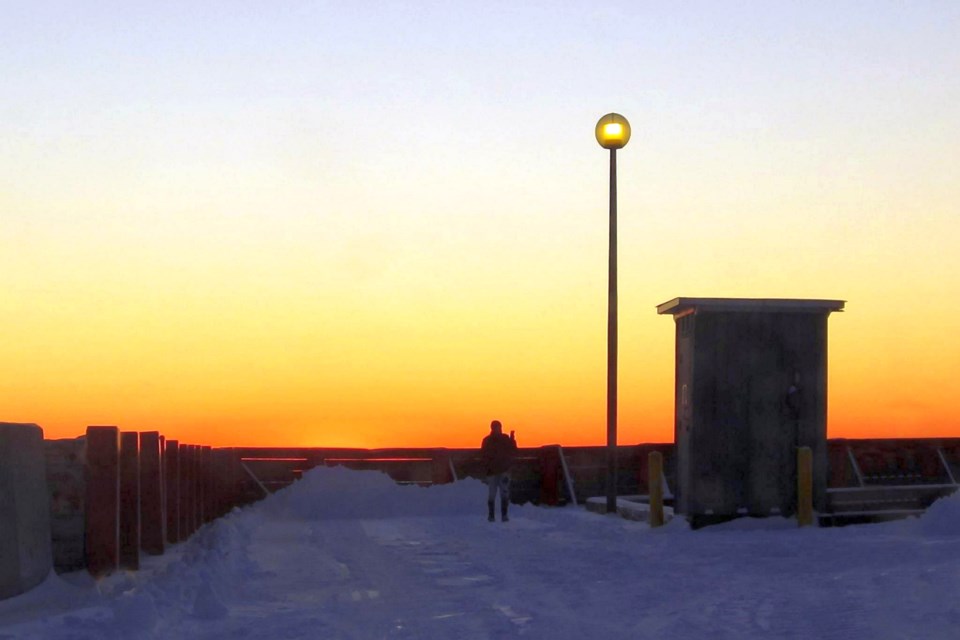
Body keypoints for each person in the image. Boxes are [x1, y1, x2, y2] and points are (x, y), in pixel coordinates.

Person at [480, 420, 517, 522]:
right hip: (494, 471)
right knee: (493, 494)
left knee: (503, 493)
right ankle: (493, 516)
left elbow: (513, 450)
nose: (497, 429)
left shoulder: (489, 440)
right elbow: (484, 455)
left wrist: (512, 439)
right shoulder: (492, 440)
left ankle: (502, 515)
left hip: (501, 471)